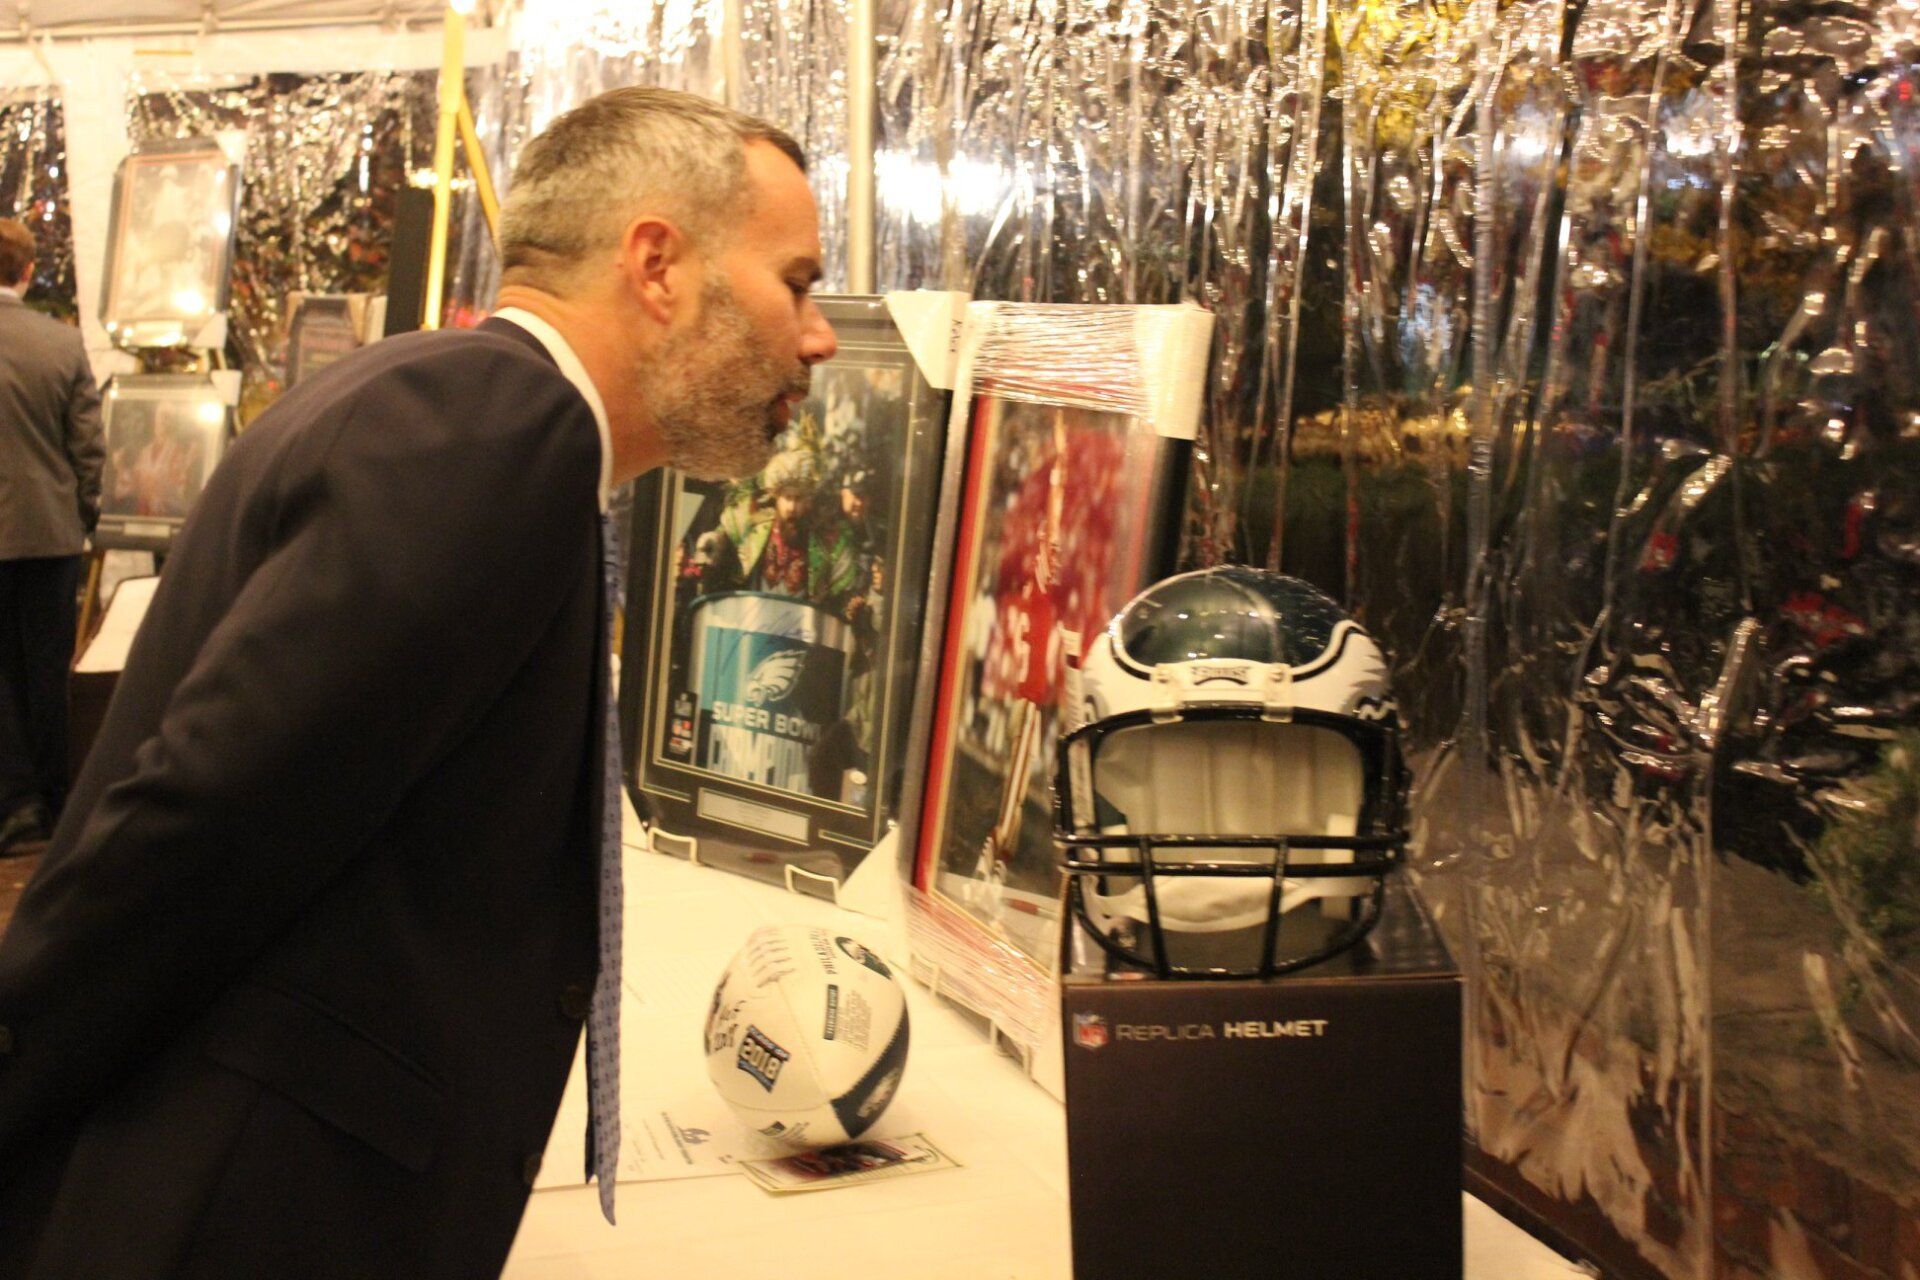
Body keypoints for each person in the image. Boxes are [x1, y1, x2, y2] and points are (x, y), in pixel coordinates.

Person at [0, 87, 835, 1279]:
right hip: (250, 1200)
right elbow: (205, 820)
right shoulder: (497, 426)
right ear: (659, 264)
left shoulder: (454, 406)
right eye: (796, 282)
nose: (816, 335)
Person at [0, 218, 104, 858]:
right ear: (28, 271)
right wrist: (83, 518)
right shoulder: (62, 346)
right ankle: (58, 799)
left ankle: (13, 808)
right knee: (45, 670)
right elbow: (88, 452)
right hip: (50, 534)